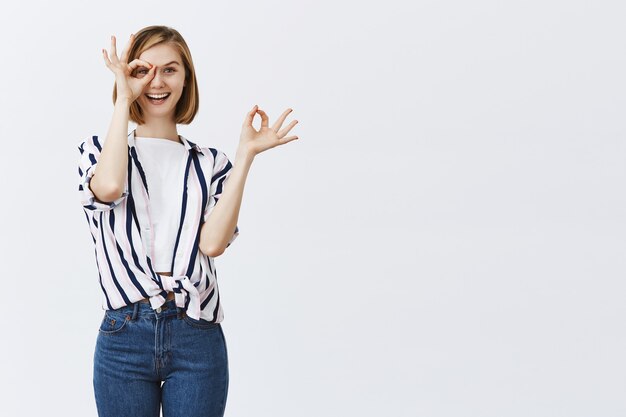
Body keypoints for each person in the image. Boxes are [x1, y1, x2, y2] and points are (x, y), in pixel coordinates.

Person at [77, 25, 299, 417]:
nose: (157, 82)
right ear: (128, 76)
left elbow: (213, 244)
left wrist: (245, 154)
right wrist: (122, 100)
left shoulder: (211, 164)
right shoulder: (98, 151)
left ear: (186, 79)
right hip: (124, 334)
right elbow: (110, 187)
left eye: (170, 70)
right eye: (143, 70)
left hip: (195, 332)